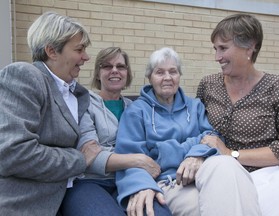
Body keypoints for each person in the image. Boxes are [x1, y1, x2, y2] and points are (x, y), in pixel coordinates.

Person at [115, 47, 261, 216]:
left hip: (203, 172)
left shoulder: (195, 106)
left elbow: (212, 137)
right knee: (212, 207)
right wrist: (142, 185)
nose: (167, 78)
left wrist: (195, 155)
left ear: (179, 76)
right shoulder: (136, 112)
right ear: (150, 77)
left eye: (173, 71)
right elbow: (129, 157)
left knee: (227, 164)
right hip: (170, 182)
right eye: (160, 72)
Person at [0, 11, 102, 215]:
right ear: (52, 51)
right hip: (26, 205)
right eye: (79, 49)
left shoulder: (78, 93)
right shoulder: (25, 76)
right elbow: (14, 153)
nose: (86, 57)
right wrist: (79, 160)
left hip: (72, 194)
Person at [197, 13, 279, 216]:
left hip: (270, 178)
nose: (217, 57)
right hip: (218, 176)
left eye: (223, 48)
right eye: (215, 49)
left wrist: (231, 154)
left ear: (250, 47)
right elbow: (198, 129)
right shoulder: (208, 85)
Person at [60, 47, 162, 216]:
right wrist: (138, 160)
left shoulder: (137, 108)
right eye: (107, 66)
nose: (115, 70)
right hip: (90, 182)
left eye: (120, 67)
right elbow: (90, 157)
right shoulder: (83, 103)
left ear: (127, 73)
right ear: (98, 73)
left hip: (131, 179)